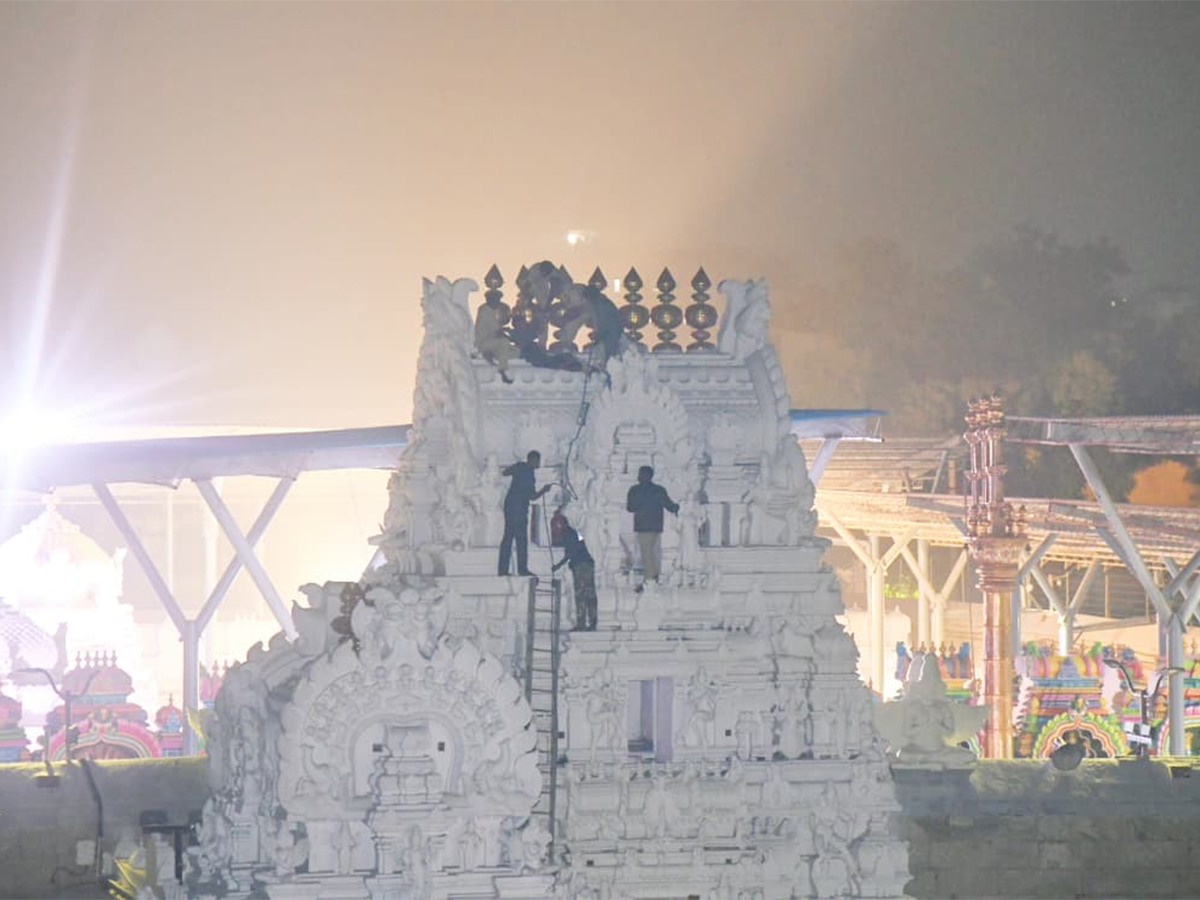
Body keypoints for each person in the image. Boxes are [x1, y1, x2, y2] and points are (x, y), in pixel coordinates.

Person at [626, 465, 679, 588]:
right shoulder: (658, 490)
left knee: (647, 551)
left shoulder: (635, 490)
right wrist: (675, 508)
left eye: (641, 474)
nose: (639, 476)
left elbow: (630, 507)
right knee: (649, 551)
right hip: (654, 525)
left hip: (644, 525)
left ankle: (650, 578)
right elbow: (669, 505)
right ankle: (652, 575)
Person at [499, 451, 550, 576]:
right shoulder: (529, 473)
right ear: (533, 460)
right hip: (519, 511)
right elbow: (532, 496)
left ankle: (503, 570)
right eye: (538, 460)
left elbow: (505, 472)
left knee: (508, 538)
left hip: (510, 507)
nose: (539, 463)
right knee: (521, 540)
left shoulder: (520, 466)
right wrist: (544, 490)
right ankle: (522, 569)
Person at [551, 512, 597, 631]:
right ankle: (592, 622)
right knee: (589, 593)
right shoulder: (574, 533)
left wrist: (558, 565)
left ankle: (582, 623)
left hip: (581, 566)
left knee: (581, 594)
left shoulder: (569, 534)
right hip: (587, 564)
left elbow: (570, 553)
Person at [473, 290, 517, 384]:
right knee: (504, 342)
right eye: (494, 299)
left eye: (498, 299)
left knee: (517, 351)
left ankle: (493, 356)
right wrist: (509, 335)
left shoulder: (496, 311)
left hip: (494, 344)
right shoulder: (484, 310)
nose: (497, 301)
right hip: (483, 343)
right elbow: (497, 331)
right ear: (488, 299)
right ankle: (503, 369)